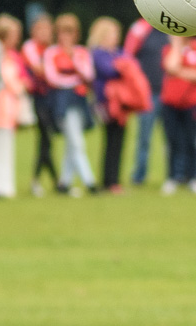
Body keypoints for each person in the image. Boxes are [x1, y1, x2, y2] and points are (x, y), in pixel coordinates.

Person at [44, 13, 97, 196]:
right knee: (75, 141)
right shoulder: (52, 53)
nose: (65, 37)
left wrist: (73, 57)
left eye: (69, 32)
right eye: (62, 32)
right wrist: (74, 80)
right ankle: (89, 181)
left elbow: (88, 75)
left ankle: (64, 183)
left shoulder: (81, 52)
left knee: (72, 142)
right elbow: (52, 78)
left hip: (79, 100)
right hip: (61, 100)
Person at [159, 34, 196, 195]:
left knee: (193, 141)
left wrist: (179, 71)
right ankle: (173, 177)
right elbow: (170, 66)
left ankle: (194, 178)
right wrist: (177, 45)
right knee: (172, 140)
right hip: (170, 102)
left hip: (193, 103)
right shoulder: (170, 48)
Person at [124, 16, 170, 186]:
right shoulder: (140, 28)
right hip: (147, 93)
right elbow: (128, 57)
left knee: (171, 137)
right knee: (144, 137)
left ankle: (172, 175)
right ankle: (140, 174)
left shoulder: (170, 25)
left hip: (168, 93)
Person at [0, 14, 30, 197]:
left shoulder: (13, 55)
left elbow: (21, 76)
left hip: (11, 105)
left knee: (7, 146)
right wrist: (19, 86)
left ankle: (6, 183)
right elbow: (5, 78)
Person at [88, 17, 131, 193]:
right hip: (105, 103)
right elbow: (111, 70)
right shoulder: (98, 53)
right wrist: (123, 67)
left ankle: (113, 180)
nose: (116, 37)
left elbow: (129, 63)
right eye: (113, 34)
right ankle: (109, 181)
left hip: (120, 103)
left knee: (118, 141)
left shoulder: (117, 52)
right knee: (111, 141)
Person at [21, 13, 59, 196]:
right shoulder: (30, 47)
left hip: (51, 97)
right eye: (41, 29)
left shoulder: (50, 48)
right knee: (45, 137)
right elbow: (41, 70)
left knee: (46, 139)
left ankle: (49, 180)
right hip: (37, 97)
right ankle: (51, 179)